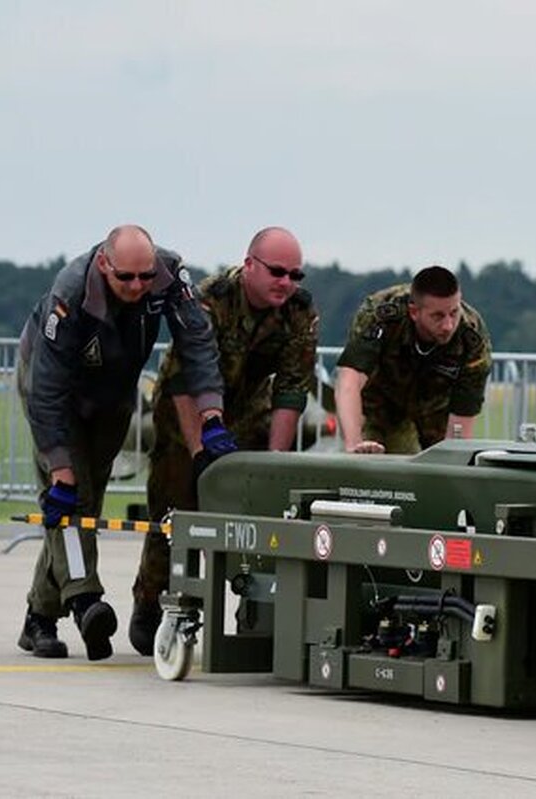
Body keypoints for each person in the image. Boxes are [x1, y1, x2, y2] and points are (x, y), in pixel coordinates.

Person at [16, 225, 235, 661]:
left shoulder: (170, 276)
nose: (138, 286)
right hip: (52, 392)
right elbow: (47, 391)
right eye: (126, 278)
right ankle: (85, 601)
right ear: (103, 264)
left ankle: (38, 618)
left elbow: (196, 343)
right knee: (70, 495)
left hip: (113, 394)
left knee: (87, 500)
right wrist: (59, 466)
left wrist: (211, 415)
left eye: (145, 277)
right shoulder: (71, 292)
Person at [129, 227, 318, 655]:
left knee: (259, 512)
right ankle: (151, 600)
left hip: (249, 411)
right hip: (187, 412)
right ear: (249, 264)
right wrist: (199, 454)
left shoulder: (299, 311)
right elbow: (182, 378)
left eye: (295, 274)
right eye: (276, 271)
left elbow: (291, 389)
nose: (286, 282)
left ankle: (254, 605)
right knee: (175, 506)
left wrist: (274, 460)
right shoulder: (209, 298)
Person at [335, 265, 491, 455]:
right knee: (369, 464)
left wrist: (452, 464)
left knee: (445, 465)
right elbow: (349, 380)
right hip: (378, 403)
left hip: (436, 410)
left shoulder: (471, 338)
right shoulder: (382, 313)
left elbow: (462, 417)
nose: (448, 325)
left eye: (454, 313)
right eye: (438, 316)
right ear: (414, 312)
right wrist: (354, 443)